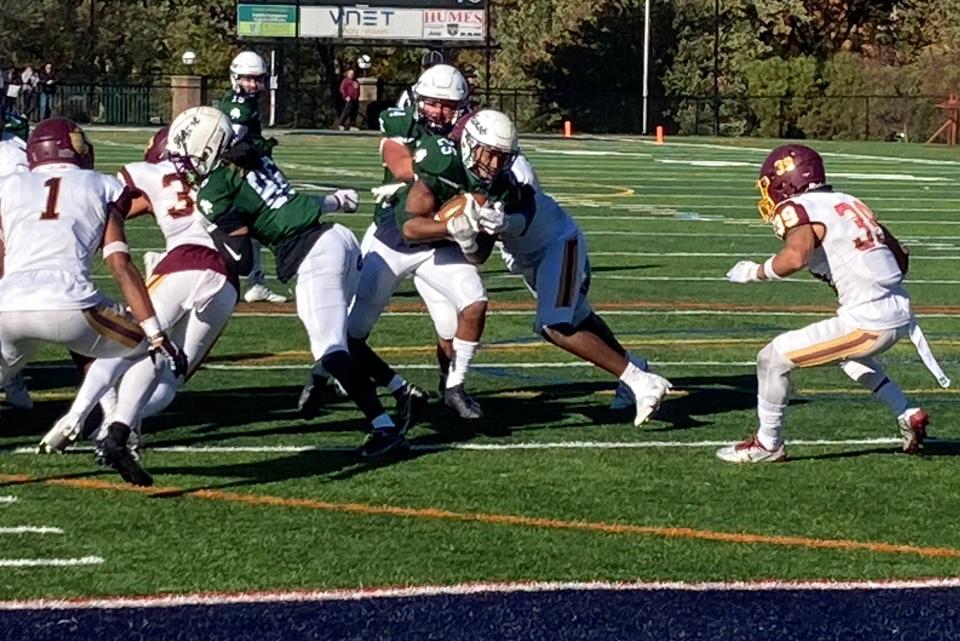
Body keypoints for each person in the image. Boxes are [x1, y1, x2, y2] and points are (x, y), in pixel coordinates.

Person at [172, 106, 406, 458]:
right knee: (337, 338)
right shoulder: (250, 154)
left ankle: (384, 428)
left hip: (312, 253)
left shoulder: (214, 190)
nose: (186, 166)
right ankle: (400, 391)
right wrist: (334, 201)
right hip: (337, 238)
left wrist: (212, 234)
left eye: (189, 158)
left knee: (331, 347)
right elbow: (285, 203)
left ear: (208, 149)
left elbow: (242, 259)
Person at [718, 144, 948, 463]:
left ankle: (767, 444)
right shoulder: (850, 201)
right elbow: (902, 259)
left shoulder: (799, 207)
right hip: (896, 311)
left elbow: (795, 256)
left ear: (787, 180)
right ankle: (907, 412)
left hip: (869, 321)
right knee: (848, 357)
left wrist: (755, 272)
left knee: (772, 359)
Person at [1, 117, 186, 486]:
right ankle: (116, 432)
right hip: (72, 305)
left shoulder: (10, 185)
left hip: (6, 306)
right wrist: (154, 330)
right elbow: (119, 262)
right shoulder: (102, 185)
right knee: (148, 350)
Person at [465, 111, 672, 427]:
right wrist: (463, 235)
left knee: (555, 326)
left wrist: (504, 222)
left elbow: (525, 211)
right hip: (531, 257)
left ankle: (642, 382)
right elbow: (478, 255)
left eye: (501, 157)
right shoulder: (462, 171)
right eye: (490, 155)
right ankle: (636, 369)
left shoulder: (518, 174)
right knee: (578, 318)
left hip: (556, 244)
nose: (494, 164)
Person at [50, 126, 243, 461]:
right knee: (171, 376)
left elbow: (111, 200)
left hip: (182, 263)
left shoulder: (154, 171)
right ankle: (120, 424)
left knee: (123, 346)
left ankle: (78, 415)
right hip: (225, 280)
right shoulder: (230, 178)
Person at [347, 64, 490, 420]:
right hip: (390, 240)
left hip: (436, 242)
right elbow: (400, 166)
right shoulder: (402, 123)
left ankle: (454, 387)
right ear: (417, 100)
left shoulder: (468, 134)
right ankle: (323, 378)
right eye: (432, 103)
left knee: (469, 305)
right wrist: (445, 173)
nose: (439, 111)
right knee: (353, 328)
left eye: (447, 104)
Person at [212, 50, 287, 305]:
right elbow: (230, 145)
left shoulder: (243, 102)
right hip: (239, 176)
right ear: (235, 77)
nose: (253, 84)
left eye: (257, 79)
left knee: (252, 230)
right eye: (247, 79)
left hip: (243, 173)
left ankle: (256, 282)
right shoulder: (239, 108)